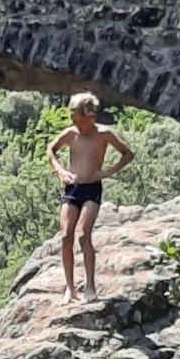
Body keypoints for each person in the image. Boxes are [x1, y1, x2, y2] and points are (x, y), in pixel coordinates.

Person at [47, 92, 135, 304]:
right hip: (72, 188)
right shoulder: (71, 134)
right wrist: (59, 170)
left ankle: (90, 287)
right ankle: (69, 288)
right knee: (66, 236)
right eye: (74, 120)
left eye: (80, 120)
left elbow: (128, 154)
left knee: (83, 235)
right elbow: (51, 150)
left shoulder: (104, 134)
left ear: (90, 117)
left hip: (92, 188)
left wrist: (108, 172)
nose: (77, 124)